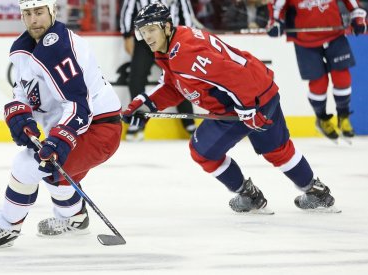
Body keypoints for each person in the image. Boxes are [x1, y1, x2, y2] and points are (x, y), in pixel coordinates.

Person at [123, 2, 338, 214]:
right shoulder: (175, 44)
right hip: (261, 90)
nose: (148, 37)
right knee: (277, 150)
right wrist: (146, 105)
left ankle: (248, 195)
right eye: (143, 32)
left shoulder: (184, 54)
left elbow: (232, 75)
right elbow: (174, 85)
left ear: (167, 26)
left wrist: (248, 108)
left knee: (202, 152)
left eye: (151, 29)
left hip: (244, 100)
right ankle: (316, 191)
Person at [0, 0, 122, 249]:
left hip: (98, 128)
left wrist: (59, 139)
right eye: (27, 14)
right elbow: (21, 91)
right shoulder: (24, 46)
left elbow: (78, 105)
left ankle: (8, 227)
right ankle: (75, 218)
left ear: (52, 12)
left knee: (29, 165)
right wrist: (20, 115)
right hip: (73, 123)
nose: (33, 19)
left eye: (39, 12)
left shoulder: (59, 49)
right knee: (54, 173)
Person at [267, 1, 367, 142]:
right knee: (318, 84)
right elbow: (276, 7)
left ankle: (343, 116)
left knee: (342, 78)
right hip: (304, 40)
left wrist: (358, 17)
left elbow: (353, 4)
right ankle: (322, 118)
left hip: (335, 35)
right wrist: (275, 22)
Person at [120, 0, 202, 141]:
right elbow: (127, 11)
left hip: (170, 39)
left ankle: (189, 123)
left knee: (179, 78)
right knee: (136, 78)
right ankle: (138, 122)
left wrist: (186, 39)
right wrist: (127, 35)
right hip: (144, 40)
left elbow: (187, 14)